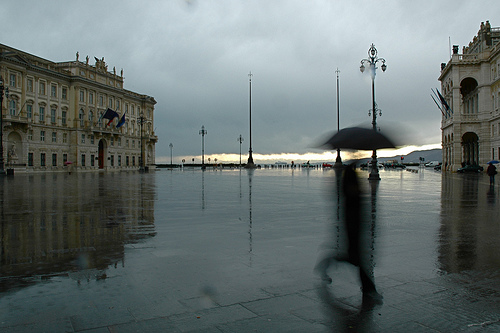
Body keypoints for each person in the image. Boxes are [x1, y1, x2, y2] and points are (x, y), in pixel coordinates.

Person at [315, 163, 382, 302]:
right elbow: (350, 197)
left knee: (353, 257)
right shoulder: (349, 176)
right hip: (352, 223)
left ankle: (325, 264)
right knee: (357, 258)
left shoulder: (351, 175)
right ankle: (369, 289)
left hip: (355, 222)